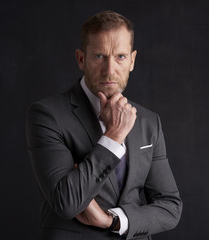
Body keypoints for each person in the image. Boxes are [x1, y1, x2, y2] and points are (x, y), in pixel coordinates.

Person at [26, 10, 182, 240]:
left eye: (120, 56)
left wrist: (113, 220)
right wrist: (113, 137)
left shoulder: (149, 122)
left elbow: (170, 208)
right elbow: (66, 203)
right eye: (99, 56)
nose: (110, 70)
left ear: (132, 60)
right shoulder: (48, 115)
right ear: (81, 59)